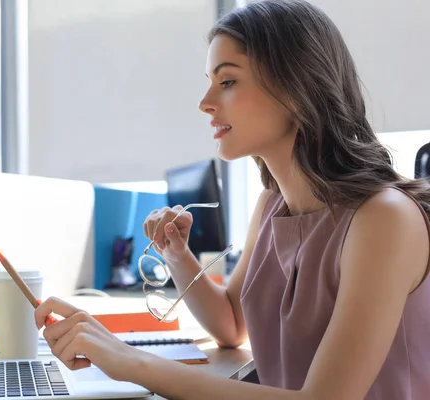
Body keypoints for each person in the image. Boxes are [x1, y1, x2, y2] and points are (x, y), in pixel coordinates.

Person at [35, 0, 430, 398]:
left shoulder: (384, 219)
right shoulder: (272, 205)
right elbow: (231, 325)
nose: (205, 102)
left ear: (295, 88)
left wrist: (131, 361)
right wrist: (176, 255)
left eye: (227, 81)